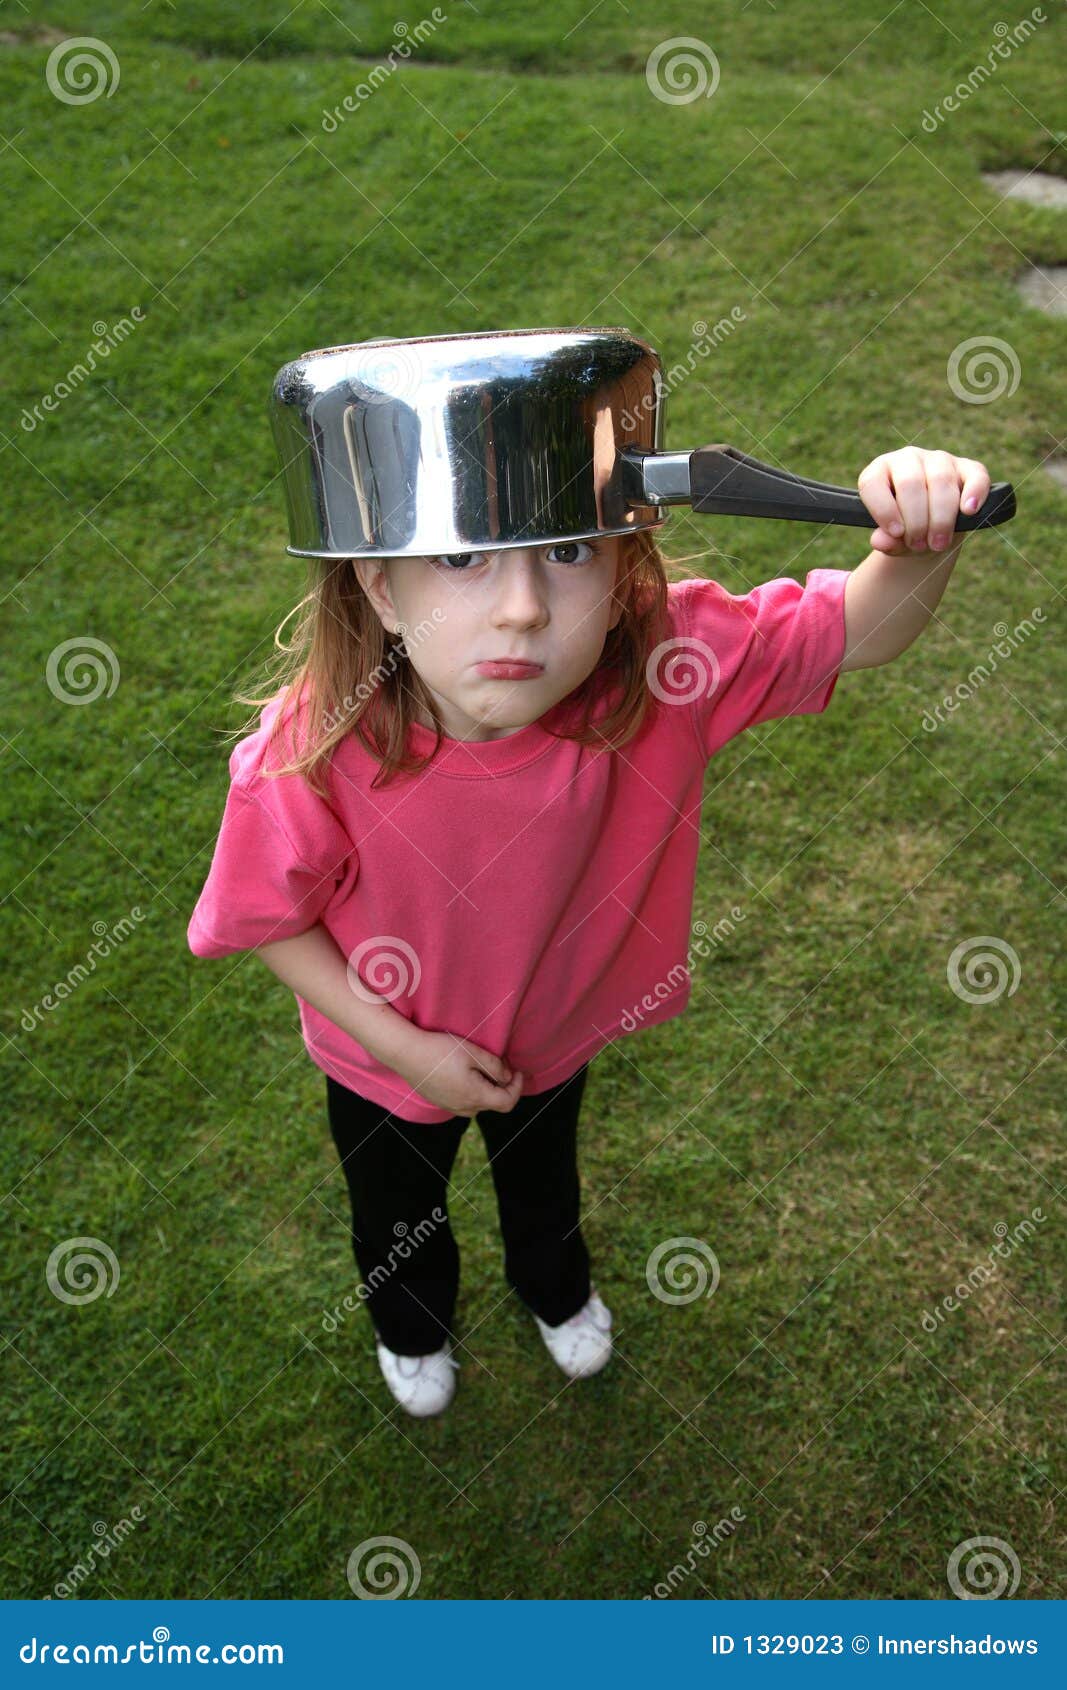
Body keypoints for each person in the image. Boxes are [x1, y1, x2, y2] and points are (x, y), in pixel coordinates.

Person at [186, 441, 992, 1418]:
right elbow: (268, 918)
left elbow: (853, 632)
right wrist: (404, 1048)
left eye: (568, 551)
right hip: (379, 1059)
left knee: (542, 1188)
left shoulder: (660, 672)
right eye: (459, 556)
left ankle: (552, 1288)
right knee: (395, 1214)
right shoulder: (315, 747)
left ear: (623, 576)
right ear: (380, 587)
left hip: (555, 1040)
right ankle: (410, 1323)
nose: (522, 606)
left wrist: (915, 541)